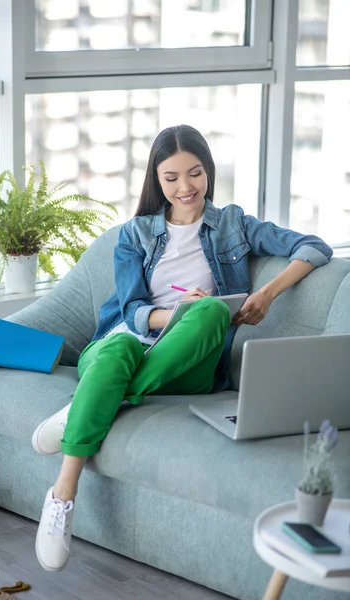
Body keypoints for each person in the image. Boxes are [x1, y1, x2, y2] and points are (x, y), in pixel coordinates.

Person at [32, 124, 332, 572]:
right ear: (157, 180)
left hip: (188, 365)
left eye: (194, 174)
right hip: (127, 340)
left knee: (211, 312)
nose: (185, 187)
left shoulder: (233, 224)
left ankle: (89, 404)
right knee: (117, 352)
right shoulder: (134, 235)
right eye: (171, 178)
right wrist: (173, 313)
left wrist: (267, 294)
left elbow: (314, 247)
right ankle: (63, 493)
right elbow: (132, 310)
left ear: (207, 171)